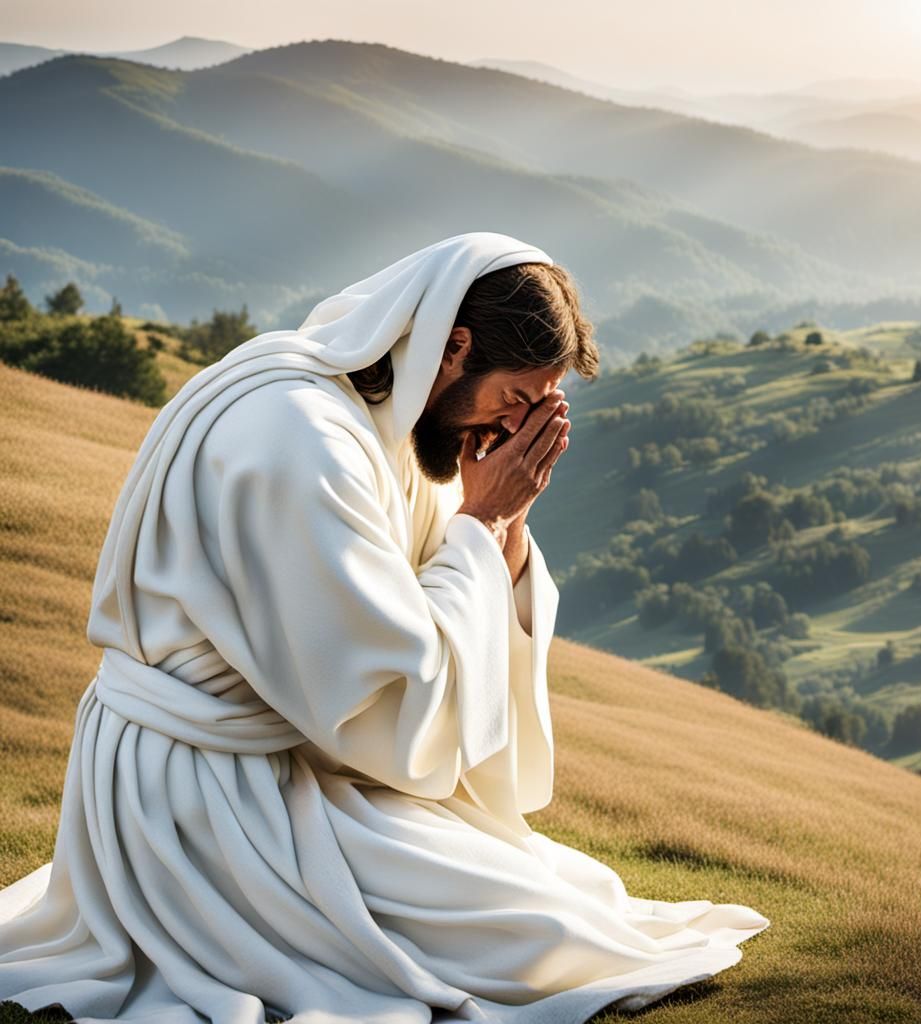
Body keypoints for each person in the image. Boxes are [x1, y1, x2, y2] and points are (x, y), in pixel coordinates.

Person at [0, 232, 769, 1023]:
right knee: (539, 939)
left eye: (540, 407)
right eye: (515, 399)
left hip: (293, 754)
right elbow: (389, 704)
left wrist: (505, 522)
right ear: (453, 345)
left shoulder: (390, 422)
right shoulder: (302, 440)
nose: (520, 423)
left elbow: (435, 591)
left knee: (567, 900)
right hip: (203, 794)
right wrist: (482, 517)